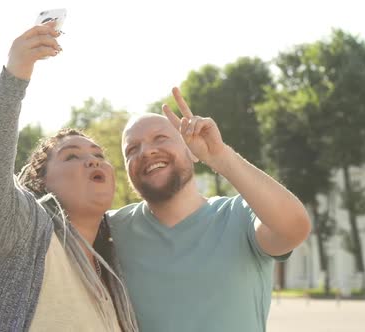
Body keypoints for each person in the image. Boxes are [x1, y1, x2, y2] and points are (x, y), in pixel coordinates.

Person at [0, 21, 138, 331]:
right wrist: (15, 75)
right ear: (40, 183)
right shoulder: (22, 233)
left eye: (99, 155)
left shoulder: (115, 270)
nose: (91, 161)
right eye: (72, 156)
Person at [107, 88, 312, 331]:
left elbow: (295, 228)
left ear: (191, 151)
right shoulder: (111, 230)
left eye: (161, 138)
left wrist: (219, 156)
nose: (146, 151)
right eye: (132, 149)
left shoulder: (240, 216)